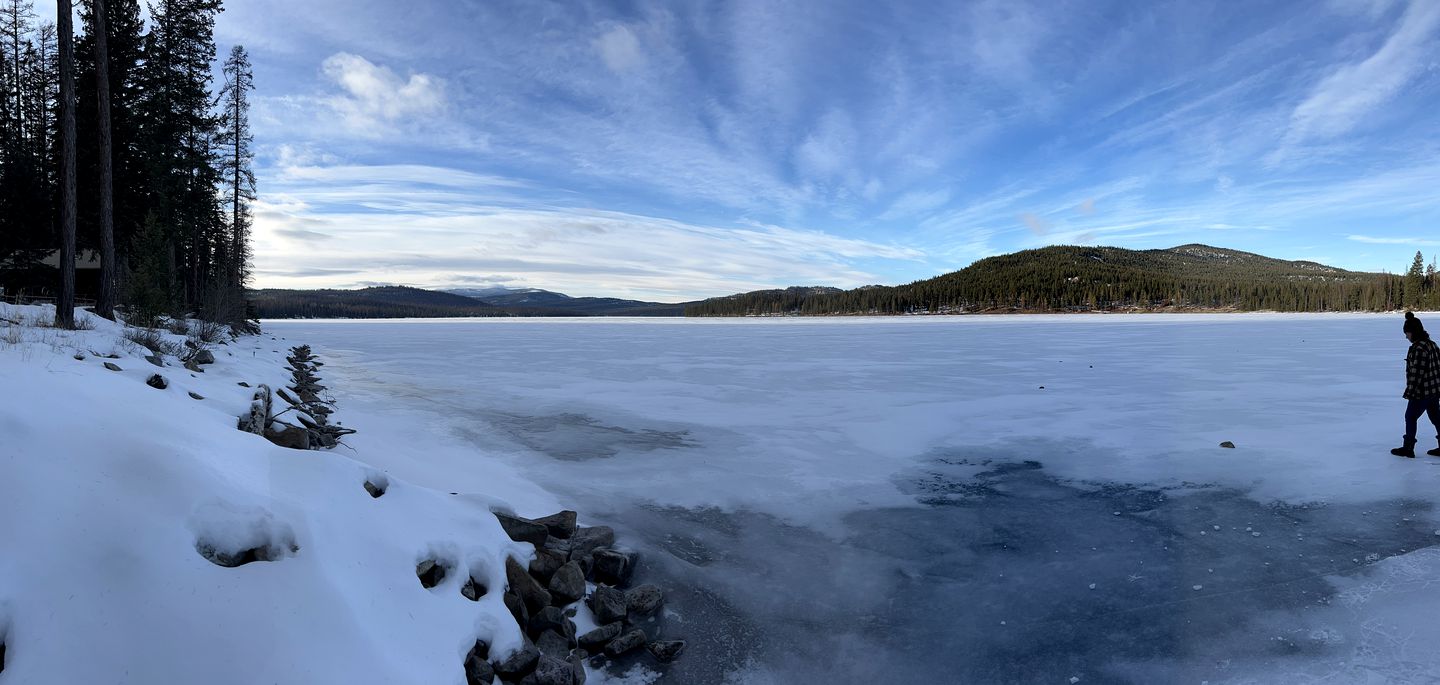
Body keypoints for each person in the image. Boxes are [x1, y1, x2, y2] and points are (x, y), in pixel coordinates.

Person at [1392, 312, 1440, 458]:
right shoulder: (1432, 344)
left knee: (1410, 416)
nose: (1406, 336)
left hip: (1422, 392)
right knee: (1436, 417)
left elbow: (1416, 375)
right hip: (1434, 390)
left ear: (1413, 332)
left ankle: (1408, 448)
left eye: (1407, 333)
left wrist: (1410, 392)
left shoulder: (1418, 348)